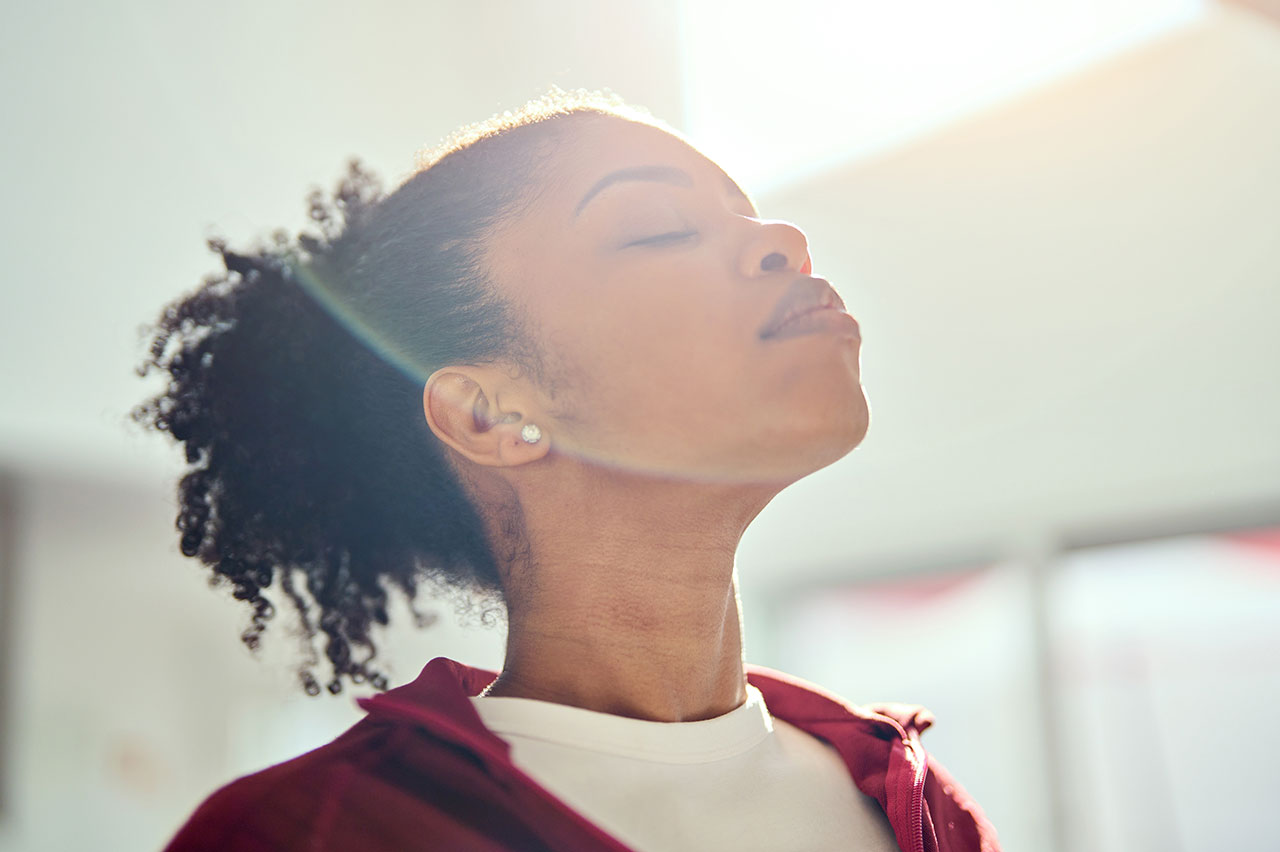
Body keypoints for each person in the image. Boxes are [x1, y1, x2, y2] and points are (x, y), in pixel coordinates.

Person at [136, 89, 1000, 851]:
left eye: (751, 212)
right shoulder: (308, 835)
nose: (783, 238)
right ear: (490, 415)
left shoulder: (919, 810)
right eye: (660, 228)